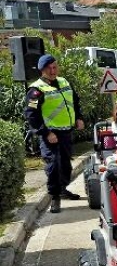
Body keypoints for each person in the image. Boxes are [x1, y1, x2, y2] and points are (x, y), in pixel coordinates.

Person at [24, 54, 84, 213]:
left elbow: (75, 101)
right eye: (48, 68)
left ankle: (62, 189)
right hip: (50, 134)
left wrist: (79, 117)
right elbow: (31, 114)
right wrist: (46, 132)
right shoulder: (36, 90)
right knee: (53, 165)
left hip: (65, 132)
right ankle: (55, 197)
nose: (52, 70)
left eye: (54, 67)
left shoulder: (64, 81)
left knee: (65, 165)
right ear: (42, 70)